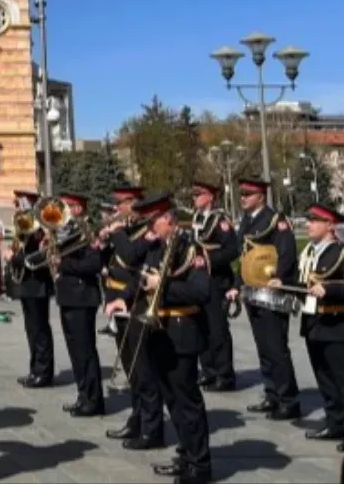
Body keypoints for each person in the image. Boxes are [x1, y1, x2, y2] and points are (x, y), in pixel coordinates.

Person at [135, 194, 212, 484]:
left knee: (187, 400)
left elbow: (201, 291)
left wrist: (162, 285)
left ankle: (200, 464)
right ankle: (186, 454)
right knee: (172, 401)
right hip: (160, 332)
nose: (149, 227)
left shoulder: (191, 248)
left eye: (153, 221)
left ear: (168, 219)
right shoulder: (159, 247)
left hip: (182, 331)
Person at [100, 185, 166, 450]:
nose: (117, 208)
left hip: (139, 302)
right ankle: (137, 419)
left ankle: (152, 428)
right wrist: (103, 241)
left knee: (143, 370)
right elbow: (113, 260)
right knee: (131, 369)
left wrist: (116, 233)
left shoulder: (147, 231)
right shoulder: (131, 228)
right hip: (122, 300)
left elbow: (129, 255)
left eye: (121, 203)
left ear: (133, 202)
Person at [235, 176, 301, 420]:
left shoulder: (275, 220)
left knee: (276, 348)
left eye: (248, 194)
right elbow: (244, 256)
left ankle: (288, 400)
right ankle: (272, 394)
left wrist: (280, 277)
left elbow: (287, 253)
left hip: (272, 291)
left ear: (261, 196)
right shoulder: (247, 220)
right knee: (263, 348)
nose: (243, 198)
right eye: (241, 194)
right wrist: (237, 284)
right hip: (253, 291)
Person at [296, 204, 344, 448]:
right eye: (308, 220)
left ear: (329, 225)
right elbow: (303, 283)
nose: (308, 224)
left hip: (337, 325)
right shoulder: (309, 253)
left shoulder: (342, 252)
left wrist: (329, 289)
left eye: (314, 220)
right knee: (325, 379)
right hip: (314, 324)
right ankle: (334, 423)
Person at [49, 192, 105, 418]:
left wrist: (63, 264)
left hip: (82, 297)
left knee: (85, 350)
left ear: (79, 208)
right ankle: (84, 395)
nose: (65, 211)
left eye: (69, 206)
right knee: (75, 352)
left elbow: (93, 264)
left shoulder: (88, 230)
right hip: (68, 296)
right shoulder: (68, 230)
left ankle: (93, 400)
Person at [191, 181, 239, 392]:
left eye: (198, 194)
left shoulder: (220, 220)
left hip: (217, 280)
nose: (194, 198)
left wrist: (208, 258)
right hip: (198, 280)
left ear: (210, 197)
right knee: (201, 326)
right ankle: (209, 371)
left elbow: (232, 250)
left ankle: (225, 374)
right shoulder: (197, 218)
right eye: (194, 195)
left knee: (217, 329)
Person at [10, 190, 55, 388]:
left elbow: (38, 256)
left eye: (21, 202)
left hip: (37, 284)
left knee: (39, 329)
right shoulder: (26, 224)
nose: (18, 206)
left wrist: (14, 259)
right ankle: (35, 369)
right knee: (32, 330)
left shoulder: (39, 227)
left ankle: (43, 372)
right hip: (28, 284)